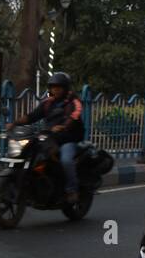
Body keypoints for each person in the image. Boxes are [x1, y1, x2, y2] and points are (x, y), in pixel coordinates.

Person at [5, 71, 85, 202]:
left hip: (68, 139)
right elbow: (32, 116)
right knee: (31, 154)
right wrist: (14, 123)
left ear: (65, 88)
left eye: (59, 87)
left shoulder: (74, 102)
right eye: (53, 87)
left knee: (66, 160)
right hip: (50, 137)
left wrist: (63, 126)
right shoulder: (48, 103)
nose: (56, 90)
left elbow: (74, 117)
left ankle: (72, 190)